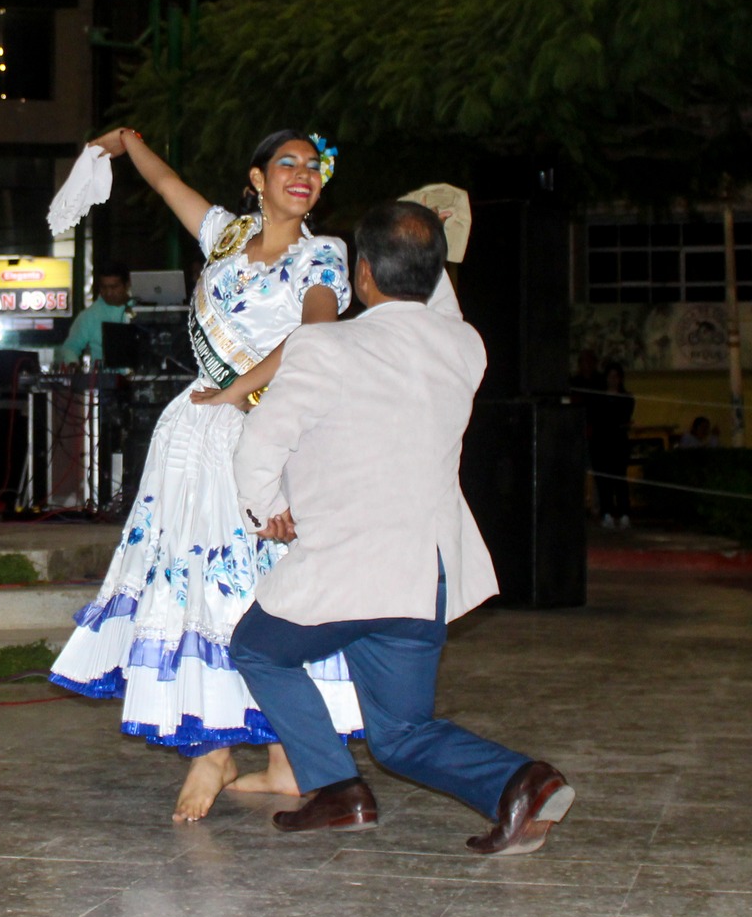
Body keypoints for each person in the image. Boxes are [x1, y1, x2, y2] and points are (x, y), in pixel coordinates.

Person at [229, 201, 574, 855]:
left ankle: (336, 788)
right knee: (402, 732)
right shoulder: (464, 347)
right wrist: (431, 252)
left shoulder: (323, 345)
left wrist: (265, 511)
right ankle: (521, 780)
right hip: (421, 573)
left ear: (361, 274)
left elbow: (257, 445)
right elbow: (435, 303)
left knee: (257, 647)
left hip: (342, 567)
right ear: (435, 270)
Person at [49, 128, 362, 822]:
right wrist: (127, 144)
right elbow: (166, 187)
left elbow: (313, 337)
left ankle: (261, 755)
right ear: (257, 176)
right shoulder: (223, 236)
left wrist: (236, 389)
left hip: (267, 433)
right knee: (204, 584)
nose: (304, 175)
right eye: (288, 163)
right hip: (195, 438)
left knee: (269, 588)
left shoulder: (324, 254)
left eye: (314, 167)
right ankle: (234, 748)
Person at [588, 361, 636, 529]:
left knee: (620, 480)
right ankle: (606, 513)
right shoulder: (597, 398)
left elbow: (623, 418)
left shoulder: (627, 398)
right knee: (603, 482)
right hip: (601, 444)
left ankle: (624, 514)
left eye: (616, 376)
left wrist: (616, 423)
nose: (613, 380)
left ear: (620, 379)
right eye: (610, 376)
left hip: (618, 444)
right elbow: (596, 419)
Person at [62, 261, 132, 366]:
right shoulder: (89, 315)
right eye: (104, 288)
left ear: (127, 285)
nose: (108, 293)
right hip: (104, 379)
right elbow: (70, 348)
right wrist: (73, 365)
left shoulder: (143, 310)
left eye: (114, 287)